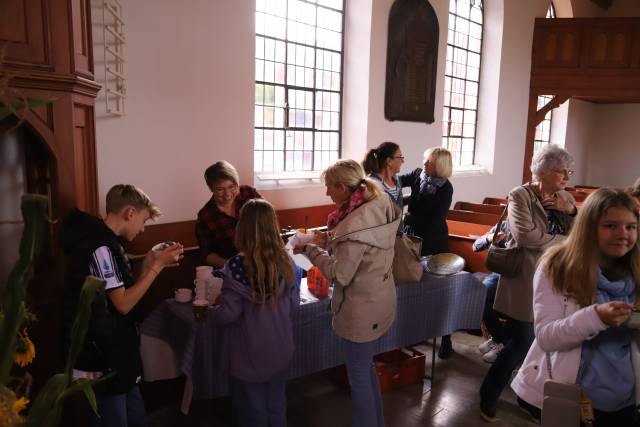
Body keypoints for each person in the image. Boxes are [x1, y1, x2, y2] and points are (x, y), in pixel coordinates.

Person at [512, 188, 640, 426]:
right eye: (611, 226)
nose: (623, 234)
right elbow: (547, 337)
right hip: (571, 393)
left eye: (631, 226)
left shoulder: (636, 267)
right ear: (589, 228)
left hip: (624, 396)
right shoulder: (558, 265)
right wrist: (596, 317)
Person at [60, 184, 183, 427]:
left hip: (114, 350)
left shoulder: (107, 243)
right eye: (143, 220)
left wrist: (148, 263)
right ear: (129, 213)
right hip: (98, 355)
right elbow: (123, 304)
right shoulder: (100, 248)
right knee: (112, 418)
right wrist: (157, 267)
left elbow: (122, 294)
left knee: (133, 414)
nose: (143, 228)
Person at [294, 159, 401, 427]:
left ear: (343, 187)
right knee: (366, 370)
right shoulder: (378, 202)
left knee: (360, 377)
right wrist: (331, 241)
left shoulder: (353, 226)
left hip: (361, 309)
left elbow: (341, 274)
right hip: (380, 297)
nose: (327, 193)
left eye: (330, 187)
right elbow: (366, 249)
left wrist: (310, 251)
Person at [479, 144, 577, 422]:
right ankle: (489, 394)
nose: (567, 177)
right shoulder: (519, 195)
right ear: (544, 171)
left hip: (560, 281)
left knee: (542, 347)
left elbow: (580, 234)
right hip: (528, 281)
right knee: (522, 343)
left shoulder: (565, 197)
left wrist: (569, 211)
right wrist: (565, 242)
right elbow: (526, 237)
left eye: (570, 172)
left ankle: (527, 398)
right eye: (562, 172)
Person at [213, 199, 300, 427]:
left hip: (248, 353)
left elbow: (229, 314)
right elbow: (293, 307)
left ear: (243, 228)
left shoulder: (234, 267)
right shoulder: (287, 262)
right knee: (276, 404)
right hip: (280, 348)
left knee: (253, 410)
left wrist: (212, 313)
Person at [399, 147, 454, 358]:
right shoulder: (416, 175)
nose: (424, 164)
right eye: (425, 159)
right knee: (412, 285)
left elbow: (435, 219)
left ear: (439, 166)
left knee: (439, 292)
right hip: (412, 238)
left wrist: (409, 216)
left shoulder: (445, 188)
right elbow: (396, 182)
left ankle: (446, 337)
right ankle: (415, 332)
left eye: (429, 162)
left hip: (434, 242)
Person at [195, 160, 262, 267]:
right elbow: (207, 254)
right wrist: (232, 265)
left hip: (263, 260)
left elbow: (268, 222)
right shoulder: (206, 216)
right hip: (231, 270)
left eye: (232, 187)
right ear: (211, 188)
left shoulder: (248, 194)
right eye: (220, 189)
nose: (227, 194)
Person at [473, 221, 509, 364]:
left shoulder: (531, 225)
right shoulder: (505, 224)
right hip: (499, 274)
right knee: (480, 295)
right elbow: (475, 246)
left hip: (520, 276)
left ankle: (504, 344)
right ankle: (499, 338)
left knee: (513, 302)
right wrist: (489, 239)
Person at [362, 142, 405, 209]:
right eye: (400, 157)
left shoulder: (397, 181)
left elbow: (396, 204)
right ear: (389, 161)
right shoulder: (372, 185)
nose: (403, 161)